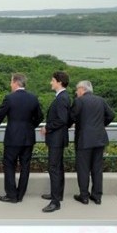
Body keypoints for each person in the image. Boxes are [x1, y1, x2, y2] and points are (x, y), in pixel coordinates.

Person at [0, 73, 43, 203]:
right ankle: (20, 195)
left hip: (12, 138)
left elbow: (0, 114)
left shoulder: (9, 98)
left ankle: (11, 195)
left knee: (9, 165)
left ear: (16, 82)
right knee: (25, 166)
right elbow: (40, 117)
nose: (10, 85)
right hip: (28, 138)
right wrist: (31, 126)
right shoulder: (33, 98)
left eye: (11, 82)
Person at [70, 80, 114, 205]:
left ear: (82, 89)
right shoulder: (101, 100)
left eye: (77, 90)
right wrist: (101, 125)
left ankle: (84, 196)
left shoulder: (79, 101)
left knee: (83, 168)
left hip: (84, 140)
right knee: (97, 168)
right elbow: (111, 115)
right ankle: (97, 196)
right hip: (99, 138)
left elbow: (71, 117)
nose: (76, 92)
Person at [39, 71, 71, 213]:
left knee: (54, 168)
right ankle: (57, 195)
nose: (50, 83)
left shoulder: (62, 98)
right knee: (58, 168)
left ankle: (55, 202)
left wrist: (47, 127)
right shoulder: (63, 97)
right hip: (58, 138)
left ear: (59, 82)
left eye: (52, 80)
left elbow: (62, 120)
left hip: (56, 139)